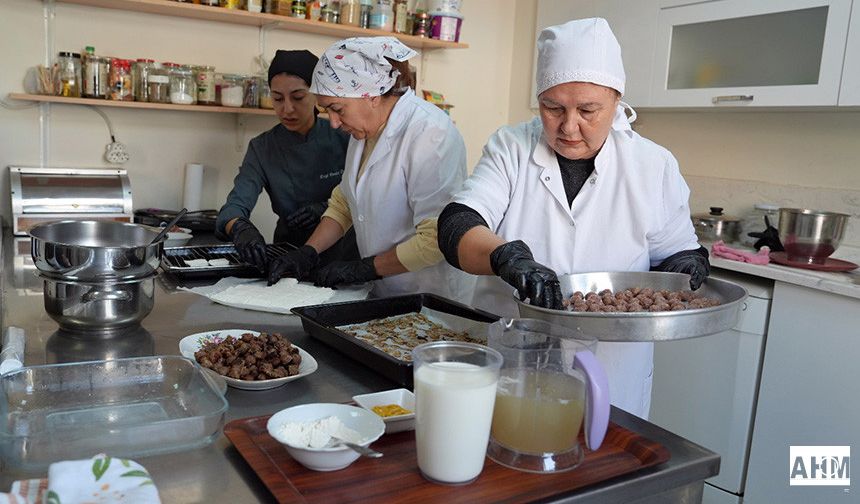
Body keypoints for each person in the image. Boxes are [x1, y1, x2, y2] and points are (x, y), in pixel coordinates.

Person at [437, 18, 710, 419]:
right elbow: (457, 224)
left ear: (617, 101)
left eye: (588, 110)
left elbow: (673, 256)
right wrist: (504, 257)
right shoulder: (511, 147)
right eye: (553, 108)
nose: (569, 126)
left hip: (612, 375)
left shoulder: (653, 165)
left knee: (606, 463)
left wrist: (684, 264)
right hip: (516, 366)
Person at [266, 37, 473, 300]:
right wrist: (308, 252)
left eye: (337, 109)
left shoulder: (431, 134)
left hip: (429, 294)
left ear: (371, 95)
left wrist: (364, 268)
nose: (333, 123)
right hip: (384, 291)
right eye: (327, 111)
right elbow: (345, 201)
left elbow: (435, 238)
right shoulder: (365, 131)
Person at [216, 49, 357, 272]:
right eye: (277, 98)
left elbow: (365, 195)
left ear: (317, 95)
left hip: (344, 257)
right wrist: (241, 228)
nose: (287, 109)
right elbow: (233, 207)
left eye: (298, 97)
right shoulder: (262, 148)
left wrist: (322, 208)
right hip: (288, 256)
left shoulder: (345, 136)